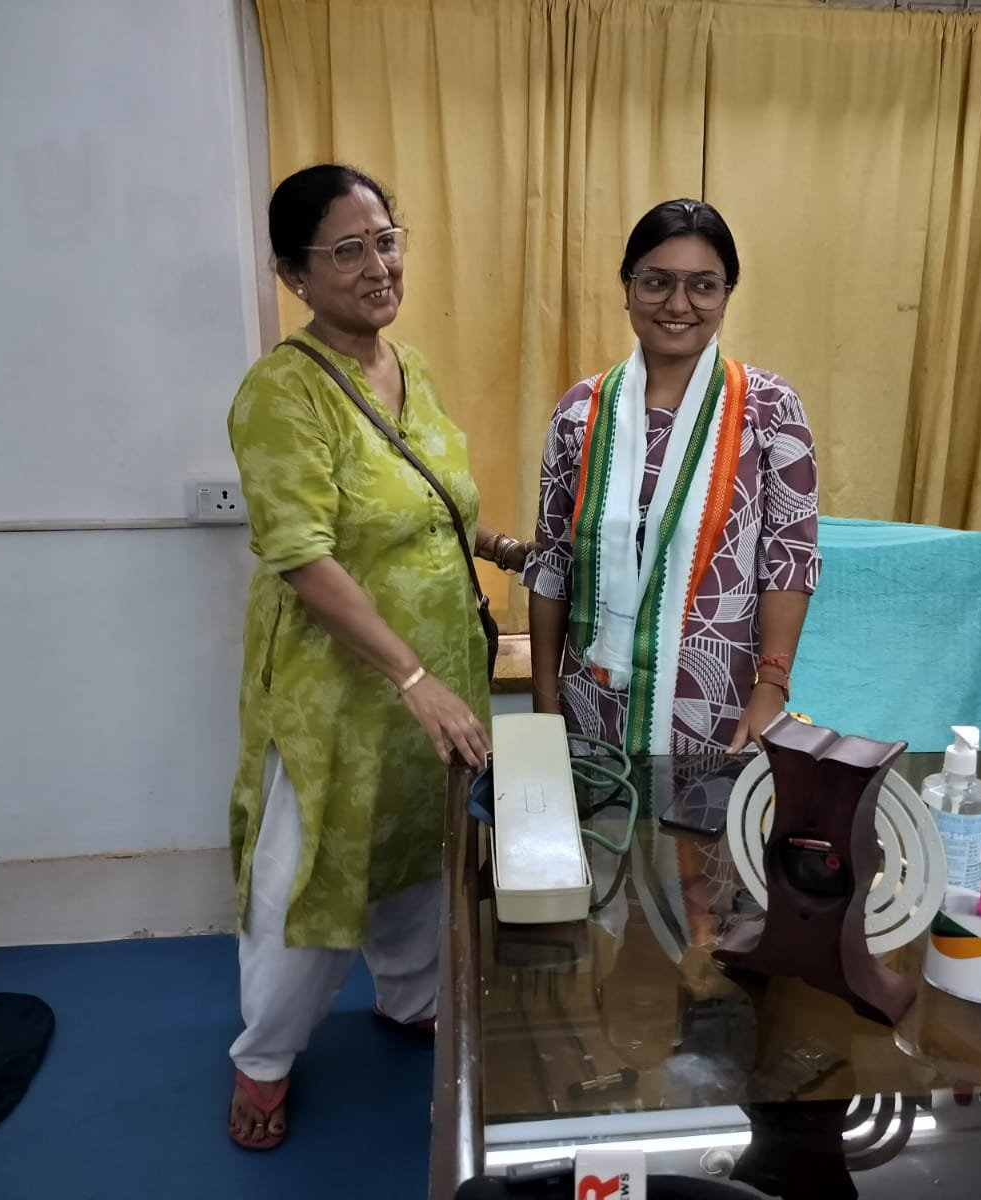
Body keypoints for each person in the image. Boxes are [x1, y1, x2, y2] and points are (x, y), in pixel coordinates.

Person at [223, 164, 528, 1150]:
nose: (377, 266)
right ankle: (265, 1058)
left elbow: (428, 504)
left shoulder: (411, 367)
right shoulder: (281, 392)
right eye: (347, 250)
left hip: (437, 673)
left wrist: (501, 548)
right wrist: (411, 679)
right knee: (310, 876)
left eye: (386, 241)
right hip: (343, 695)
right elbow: (302, 555)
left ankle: (409, 998)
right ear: (294, 274)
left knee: (419, 854)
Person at [525, 200, 821, 756]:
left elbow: (788, 558)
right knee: (599, 814)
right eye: (657, 282)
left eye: (703, 286)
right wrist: (544, 705)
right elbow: (552, 567)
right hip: (592, 710)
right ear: (627, 287)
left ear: (727, 295)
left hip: (723, 711)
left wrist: (771, 688)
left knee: (717, 818)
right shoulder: (579, 413)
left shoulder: (769, 410)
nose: (678, 304)